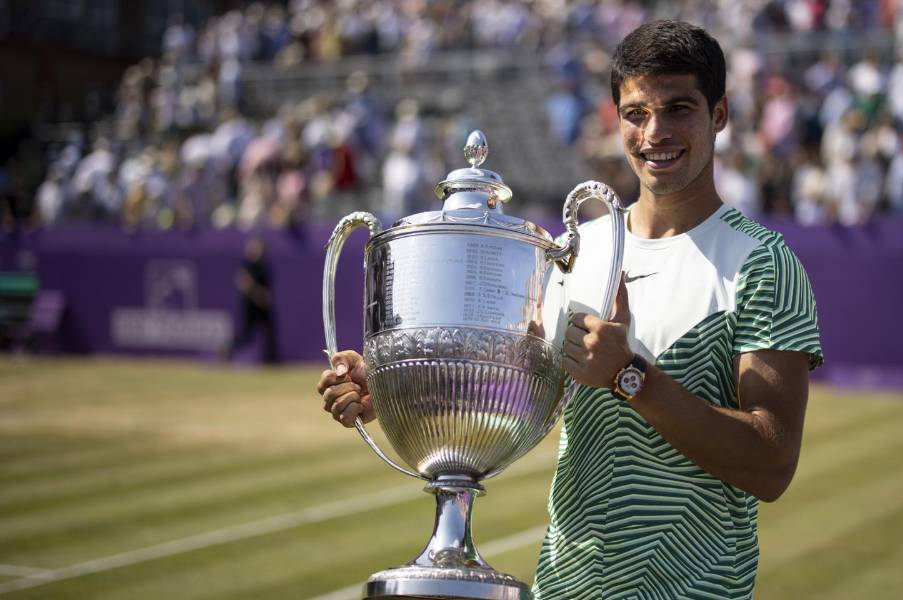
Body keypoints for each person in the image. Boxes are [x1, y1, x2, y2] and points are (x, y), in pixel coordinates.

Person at [317, 20, 822, 598]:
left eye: (679, 108)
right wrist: (398, 391)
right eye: (636, 113)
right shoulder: (582, 249)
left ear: (720, 114)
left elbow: (772, 462)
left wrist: (633, 378)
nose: (655, 132)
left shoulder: (764, 264)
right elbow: (515, 391)